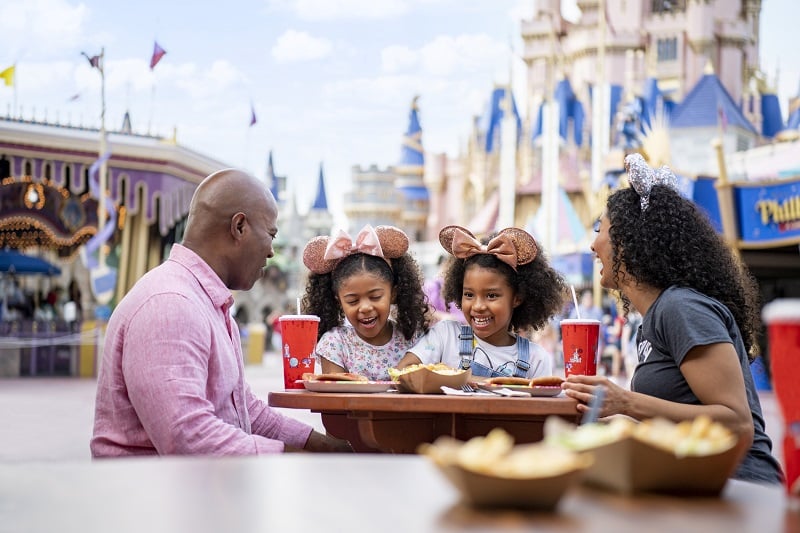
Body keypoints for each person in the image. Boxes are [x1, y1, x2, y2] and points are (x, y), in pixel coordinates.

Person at [91, 168, 352, 457]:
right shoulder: (171, 303)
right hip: (156, 498)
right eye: (270, 234)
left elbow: (245, 411)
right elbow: (187, 436)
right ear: (239, 227)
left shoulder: (206, 301)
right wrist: (295, 458)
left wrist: (323, 446)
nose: (270, 252)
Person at [562, 153, 783, 485]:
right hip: (696, 484)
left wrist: (625, 401)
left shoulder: (680, 308)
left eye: (600, 230)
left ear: (630, 241)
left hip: (740, 489)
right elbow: (679, 422)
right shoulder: (653, 319)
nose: (593, 245)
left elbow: (737, 424)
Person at [397, 225, 567, 379]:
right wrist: (461, 380)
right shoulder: (444, 336)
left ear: (517, 298)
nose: (478, 306)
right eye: (469, 295)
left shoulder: (536, 359)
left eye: (491, 296)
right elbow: (403, 371)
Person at [301, 224, 432, 381]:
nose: (365, 307)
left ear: (393, 294)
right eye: (352, 301)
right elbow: (334, 399)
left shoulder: (412, 338)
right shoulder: (334, 343)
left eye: (375, 297)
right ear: (339, 301)